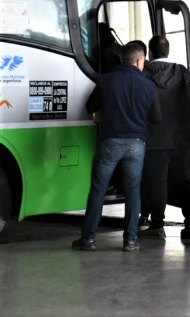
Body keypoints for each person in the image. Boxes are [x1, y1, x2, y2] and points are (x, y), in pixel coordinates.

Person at [72, 41, 161, 252]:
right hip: (136, 145)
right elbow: (156, 118)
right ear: (140, 61)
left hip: (109, 142)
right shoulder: (148, 86)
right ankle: (130, 240)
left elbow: (89, 107)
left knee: (98, 190)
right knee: (132, 191)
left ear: (123, 59)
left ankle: (88, 240)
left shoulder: (106, 80)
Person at [138, 36, 190, 240]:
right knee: (184, 180)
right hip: (181, 138)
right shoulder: (181, 71)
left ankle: (157, 224)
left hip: (153, 138)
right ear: (168, 52)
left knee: (157, 181)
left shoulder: (143, 74)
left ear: (150, 53)